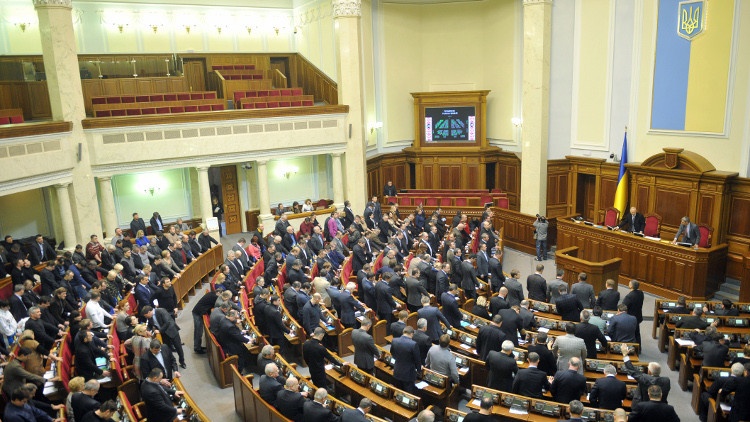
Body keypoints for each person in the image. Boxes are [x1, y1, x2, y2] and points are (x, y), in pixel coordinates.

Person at [391, 326, 421, 393]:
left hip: (397, 371)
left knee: (398, 391)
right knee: (408, 393)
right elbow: (417, 359)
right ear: (411, 334)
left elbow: (392, 353)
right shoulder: (413, 344)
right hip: (408, 374)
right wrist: (419, 371)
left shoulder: (394, 340)